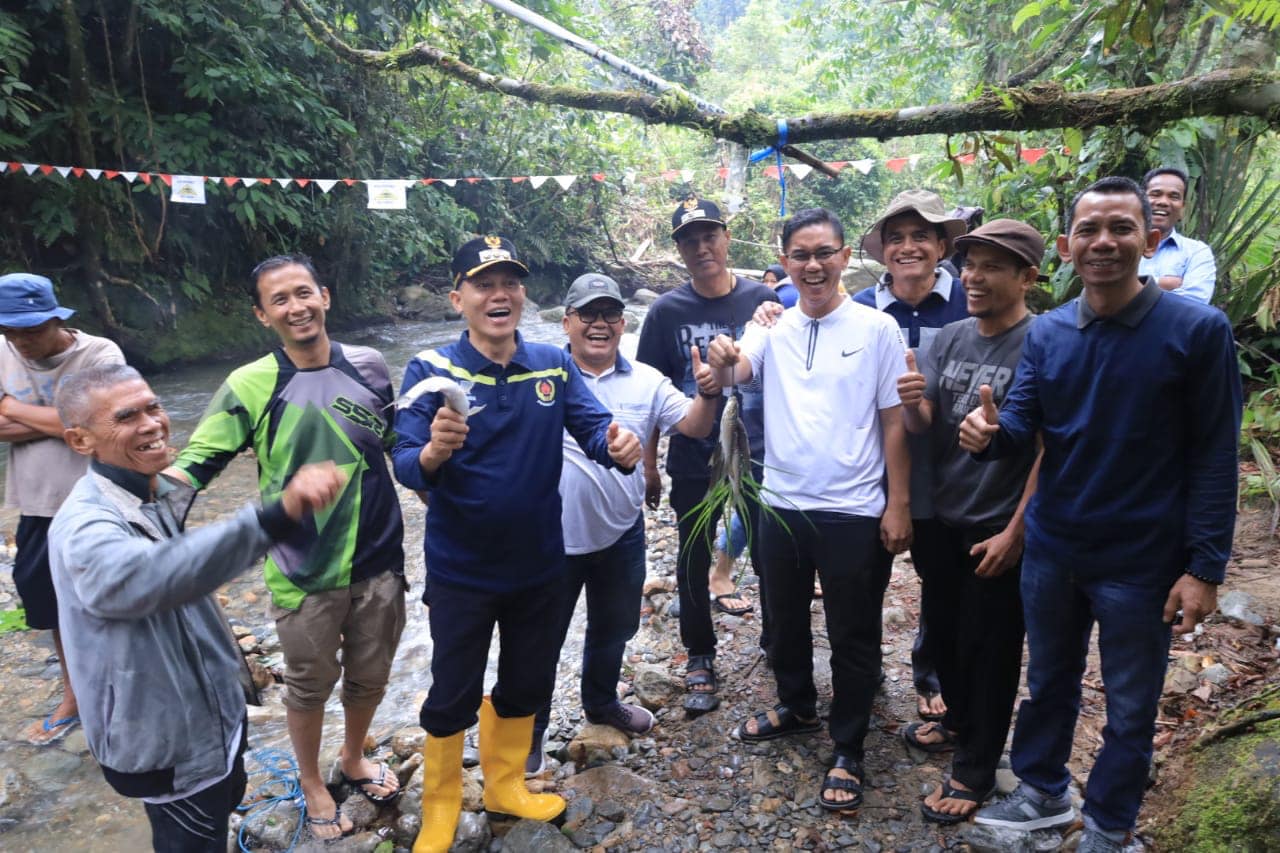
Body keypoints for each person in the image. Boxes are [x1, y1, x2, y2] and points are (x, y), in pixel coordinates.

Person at [964, 177, 1241, 852]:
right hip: (1056, 545)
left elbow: (1215, 454)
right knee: (1049, 680)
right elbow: (1025, 424)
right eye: (1089, 230)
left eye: (1120, 228)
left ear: (1150, 239)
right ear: (1066, 247)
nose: (1103, 242)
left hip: (1143, 558)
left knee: (1129, 703)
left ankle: (1111, 827)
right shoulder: (1053, 331)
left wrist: (1204, 567)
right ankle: (1043, 789)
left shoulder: (1198, 330)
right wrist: (988, 433)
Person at [392, 236, 643, 853]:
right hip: (462, 570)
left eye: (509, 282)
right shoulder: (431, 369)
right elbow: (401, 459)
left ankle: (506, 785)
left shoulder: (551, 365)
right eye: (483, 283)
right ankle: (441, 807)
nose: (498, 294)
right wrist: (433, 451)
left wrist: (619, 444)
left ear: (523, 295)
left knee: (528, 681)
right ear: (458, 298)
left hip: (539, 566)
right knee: (452, 688)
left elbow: (590, 427)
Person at [49, 363, 345, 853]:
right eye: (126, 417)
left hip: (209, 726)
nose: (151, 424)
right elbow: (149, 576)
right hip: (163, 747)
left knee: (218, 814)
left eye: (153, 407)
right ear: (80, 441)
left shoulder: (150, 491)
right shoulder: (84, 526)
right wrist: (274, 515)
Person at [169, 255, 407, 838]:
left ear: (324, 296)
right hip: (302, 570)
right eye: (280, 300)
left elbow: (399, 445)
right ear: (262, 314)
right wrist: (133, 510)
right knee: (307, 685)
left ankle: (352, 756)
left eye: (304, 293)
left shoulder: (371, 366)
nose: (296, 306)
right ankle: (310, 778)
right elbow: (195, 466)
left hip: (380, 559)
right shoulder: (250, 384)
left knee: (371, 676)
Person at [708, 206, 911, 812]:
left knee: (854, 633)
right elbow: (740, 369)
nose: (813, 265)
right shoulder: (771, 325)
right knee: (784, 620)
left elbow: (894, 422)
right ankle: (796, 705)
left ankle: (848, 744)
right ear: (786, 262)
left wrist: (897, 504)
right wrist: (723, 355)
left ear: (846, 258)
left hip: (853, 508)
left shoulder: (877, 330)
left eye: (825, 252)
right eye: (800, 254)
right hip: (781, 505)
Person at [528, 272, 721, 772]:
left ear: (624, 322)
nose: (599, 324)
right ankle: (530, 731)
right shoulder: (538, 379)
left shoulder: (647, 380)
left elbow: (696, 426)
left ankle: (600, 703)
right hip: (548, 540)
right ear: (566, 321)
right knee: (540, 641)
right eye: (587, 314)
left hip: (621, 534)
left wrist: (709, 391)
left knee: (613, 629)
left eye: (609, 314)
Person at [897, 219, 1045, 823]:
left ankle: (977, 768)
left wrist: (1017, 531)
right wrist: (912, 404)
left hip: (997, 525)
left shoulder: (1044, 342)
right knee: (947, 636)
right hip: (944, 518)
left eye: (992, 267)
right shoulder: (950, 336)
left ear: (1028, 277)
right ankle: (958, 723)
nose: (974, 278)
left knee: (992, 649)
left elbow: (1049, 448)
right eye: (970, 264)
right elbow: (926, 422)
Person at [636, 196, 780, 713]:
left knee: (768, 550)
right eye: (689, 239)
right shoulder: (665, 312)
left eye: (709, 235)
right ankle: (700, 653)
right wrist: (649, 465)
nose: (702, 247)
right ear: (678, 249)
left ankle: (777, 642)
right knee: (693, 551)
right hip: (693, 452)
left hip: (761, 450)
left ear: (726, 237)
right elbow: (648, 392)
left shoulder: (763, 299)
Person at [856, 189, 969, 727]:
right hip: (872, 468)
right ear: (881, 252)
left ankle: (931, 671)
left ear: (942, 244)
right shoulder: (856, 308)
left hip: (950, 469)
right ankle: (866, 666)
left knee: (942, 579)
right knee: (863, 578)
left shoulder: (971, 299)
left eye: (920, 236)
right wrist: (766, 307)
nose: (907, 247)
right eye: (895, 238)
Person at [0, 272, 124, 746]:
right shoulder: (3, 351)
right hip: (38, 505)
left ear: (56, 318)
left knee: (113, 602)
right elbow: (78, 423)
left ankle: (124, 694)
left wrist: (11, 406)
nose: (21, 341)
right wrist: (64, 421)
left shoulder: (99, 354)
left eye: (31, 330)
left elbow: (100, 421)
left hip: (103, 502)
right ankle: (75, 696)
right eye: (11, 331)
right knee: (51, 606)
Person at [1138, 166, 1216, 303]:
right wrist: (1164, 284)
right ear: (1139, 201)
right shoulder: (1119, 245)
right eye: (1155, 194)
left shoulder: (1197, 252)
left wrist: (1134, 285)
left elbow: (1195, 303)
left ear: (1182, 210)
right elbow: (1107, 291)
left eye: (1174, 196)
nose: (1163, 202)